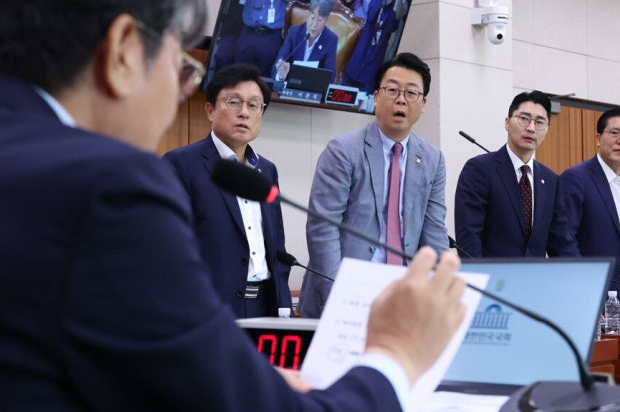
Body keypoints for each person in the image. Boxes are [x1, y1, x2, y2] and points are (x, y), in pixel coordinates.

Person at [0, 0, 468, 410]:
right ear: (124, 49)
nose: (178, 92)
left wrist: (246, 379)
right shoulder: (106, 190)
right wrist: (396, 358)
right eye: (180, 65)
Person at [298, 52, 450, 318]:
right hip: (349, 291)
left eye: (411, 93)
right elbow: (323, 229)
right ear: (376, 96)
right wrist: (339, 297)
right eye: (392, 90)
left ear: (423, 104)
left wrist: (441, 294)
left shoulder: (432, 159)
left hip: (403, 298)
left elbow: (434, 232)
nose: (401, 99)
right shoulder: (343, 150)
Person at [163, 64, 292, 318]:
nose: (244, 113)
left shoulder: (266, 171)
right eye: (234, 102)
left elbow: (277, 248)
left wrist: (283, 306)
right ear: (210, 110)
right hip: (207, 308)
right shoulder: (180, 164)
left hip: (263, 306)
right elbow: (170, 250)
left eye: (254, 105)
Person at [454, 90, 580, 258]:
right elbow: (469, 238)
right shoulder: (479, 169)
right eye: (524, 119)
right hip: (491, 274)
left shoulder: (551, 180)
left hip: (535, 275)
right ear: (507, 123)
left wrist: (583, 272)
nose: (531, 128)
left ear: (547, 129)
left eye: (539, 122)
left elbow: (561, 242)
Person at [560, 108, 620, 301]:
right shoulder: (576, 178)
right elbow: (565, 242)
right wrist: (585, 292)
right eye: (614, 133)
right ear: (598, 138)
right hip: (593, 289)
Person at [344, 0, 400, 93]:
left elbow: (390, 27)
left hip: (371, 68)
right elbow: (371, 15)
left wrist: (395, 2)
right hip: (357, 60)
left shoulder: (395, 10)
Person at [272, 0, 338, 80]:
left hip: (313, 87)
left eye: (320, 20)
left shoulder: (331, 40)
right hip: (290, 84)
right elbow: (277, 65)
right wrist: (281, 75)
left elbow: (329, 76)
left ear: (326, 20)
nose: (314, 24)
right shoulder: (294, 33)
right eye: (312, 18)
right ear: (308, 14)